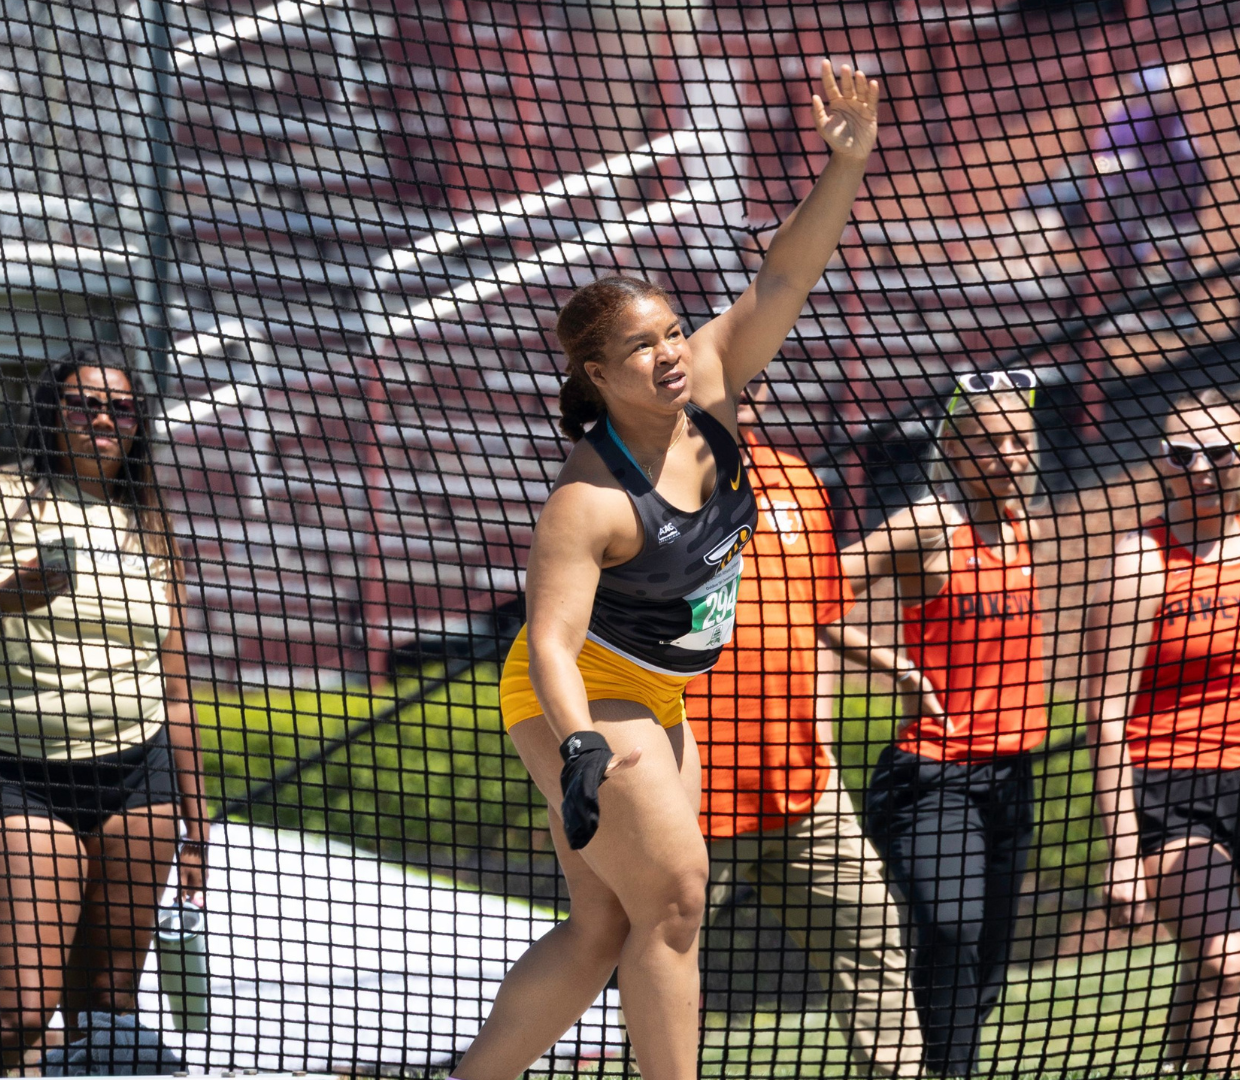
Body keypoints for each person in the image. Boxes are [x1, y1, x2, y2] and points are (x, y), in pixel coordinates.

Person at [450, 60, 880, 1080]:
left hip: (658, 696)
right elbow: (549, 643)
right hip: (583, 697)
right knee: (680, 899)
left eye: (675, 330)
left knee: (605, 927)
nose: (672, 352)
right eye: (642, 348)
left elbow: (784, 278)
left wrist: (846, 164)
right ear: (598, 376)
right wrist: (580, 745)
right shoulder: (588, 500)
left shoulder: (715, 391)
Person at [0, 350, 208, 1073]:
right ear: (51, 413)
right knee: (18, 1015)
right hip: (21, 776)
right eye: (85, 404)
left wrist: (196, 823)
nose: (104, 419)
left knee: (107, 1014)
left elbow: (175, 691)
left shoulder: (150, 525)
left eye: (121, 408)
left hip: (139, 780)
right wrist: (3, 600)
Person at [1084, 386, 1240, 1076]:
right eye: (1182, 455)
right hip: (1174, 793)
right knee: (1227, 963)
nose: (1200, 469)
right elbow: (1105, 712)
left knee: (1227, 983)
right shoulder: (1139, 563)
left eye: (1219, 454)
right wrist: (1122, 856)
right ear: (1162, 461)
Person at [688, 376, 926, 1078]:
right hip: (687, 801)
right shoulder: (645, 479)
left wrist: (821, 747)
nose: (748, 380)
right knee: (659, 971)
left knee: (875, 939)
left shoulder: (798, 480)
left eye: (758, 368)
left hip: (805, 794)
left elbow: (816, 626)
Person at [821, 372, 1047, 1077]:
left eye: (1018, 441)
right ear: (953, 447)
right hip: (932, 778)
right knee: (951, 927)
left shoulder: (1025, 526)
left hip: (1011, 780)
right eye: (989, 442)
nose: (1007, 455)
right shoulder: (927, 524)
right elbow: (814, 597)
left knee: (984, 967)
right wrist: (901, 670)